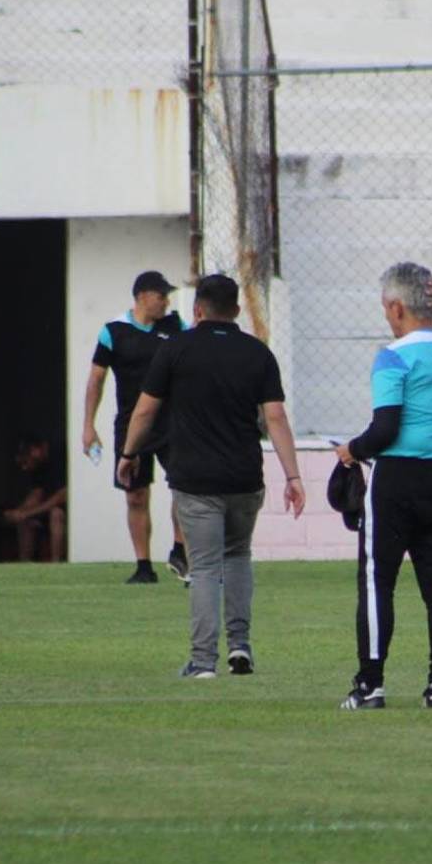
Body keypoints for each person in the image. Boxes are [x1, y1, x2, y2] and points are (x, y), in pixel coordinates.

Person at [117, 274, 305, 678]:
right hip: (243, 478)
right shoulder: (258, 354)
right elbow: (275, 417)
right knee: (237, 556)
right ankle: (240, 646)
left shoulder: (175, 350)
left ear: (197, 309)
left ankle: (203, 661)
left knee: (203, 567)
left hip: (195, 479)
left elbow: (146, 410)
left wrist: (129, 453)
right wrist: (293, 477)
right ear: (237, 310)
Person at [334, 262, 432, 710]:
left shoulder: (392, 356)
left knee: (377, 581)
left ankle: (370, 684)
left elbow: (385, 429)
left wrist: (351, 450)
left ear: (395, 306)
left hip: (397, 479)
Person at [83, 270, 189, 585]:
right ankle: (144, 565)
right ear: (143, 296)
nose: (166, 303)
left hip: (172, 422)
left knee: (183, 488)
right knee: (136, 495)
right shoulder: (114, 331)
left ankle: (180, 549)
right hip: (131, 426)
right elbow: (96, 381)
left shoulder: (176, 327)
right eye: (161, 296)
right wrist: (88, 426)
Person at [4, 434, 67, 562]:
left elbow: (61, 496)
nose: (24, 467)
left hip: (68, 509)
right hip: (45, 508)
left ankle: (57, 564)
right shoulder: (38, 465)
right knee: (24, 520)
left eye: (25, 461)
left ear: (35, 450)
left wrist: (28, 513)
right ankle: (24, 563)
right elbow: (36, 494)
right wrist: (19, 512)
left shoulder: (60, 454)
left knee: (56, 514)